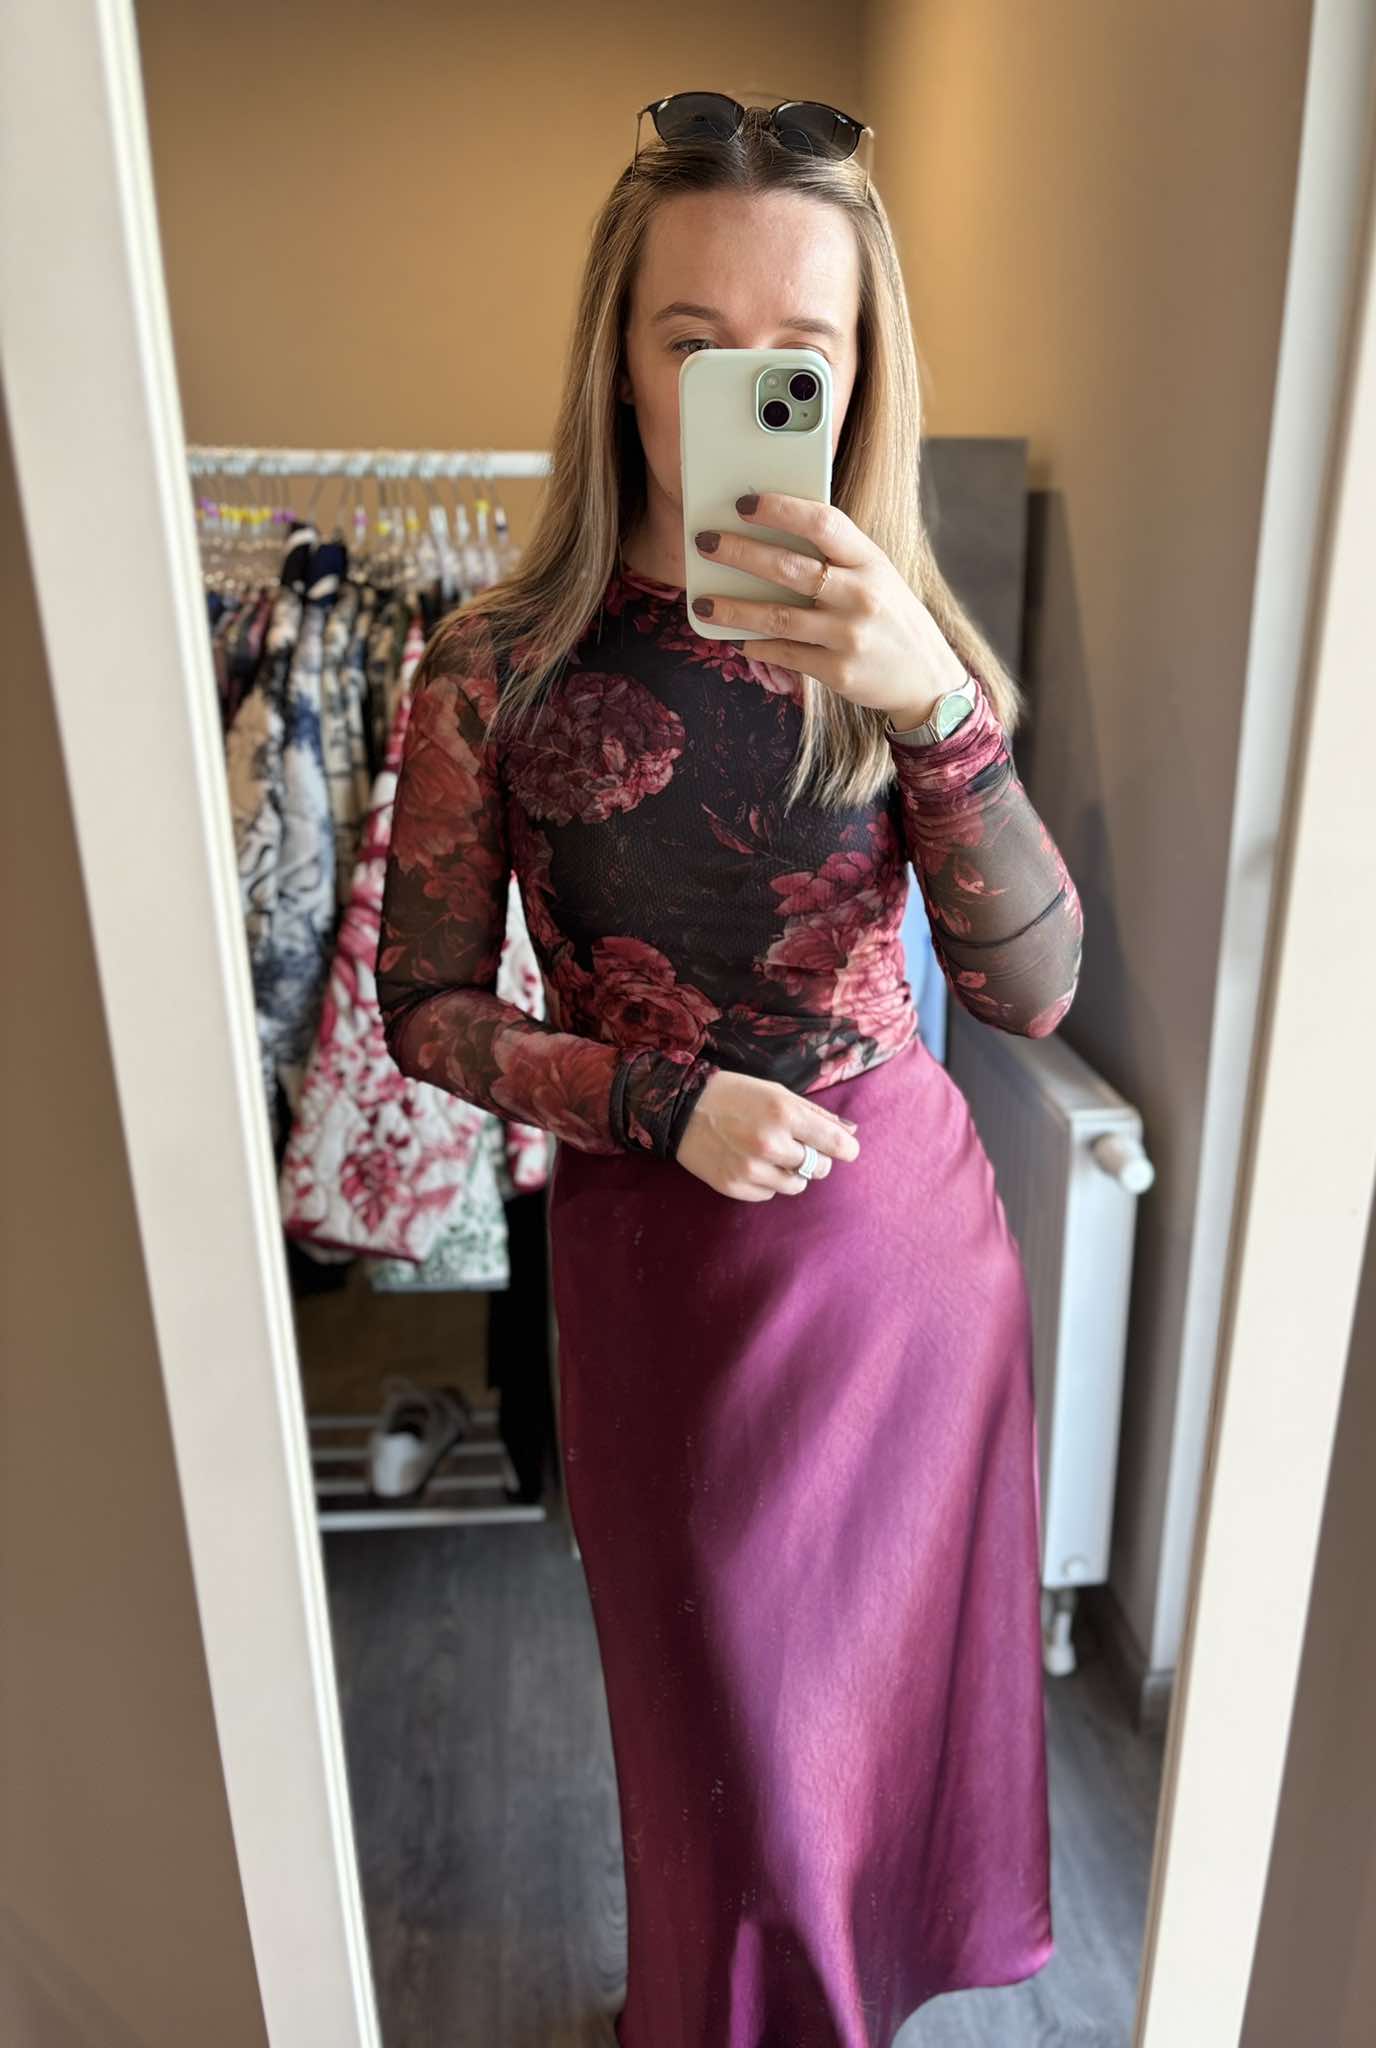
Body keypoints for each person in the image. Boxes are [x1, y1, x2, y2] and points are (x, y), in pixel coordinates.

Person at [376, 94, 1082, 2048]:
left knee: (865, 1749)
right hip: (661, 1263)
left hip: (904, 1269)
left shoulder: (908, 649)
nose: (748, 392)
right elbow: (422, 1006)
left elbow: (1032, 989)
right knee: (728, 1739)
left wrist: (932, 710)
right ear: (618, 356)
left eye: (801, 355)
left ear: (858, 378)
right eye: (696, 345)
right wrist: (653, 1101)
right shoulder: (493, 666)